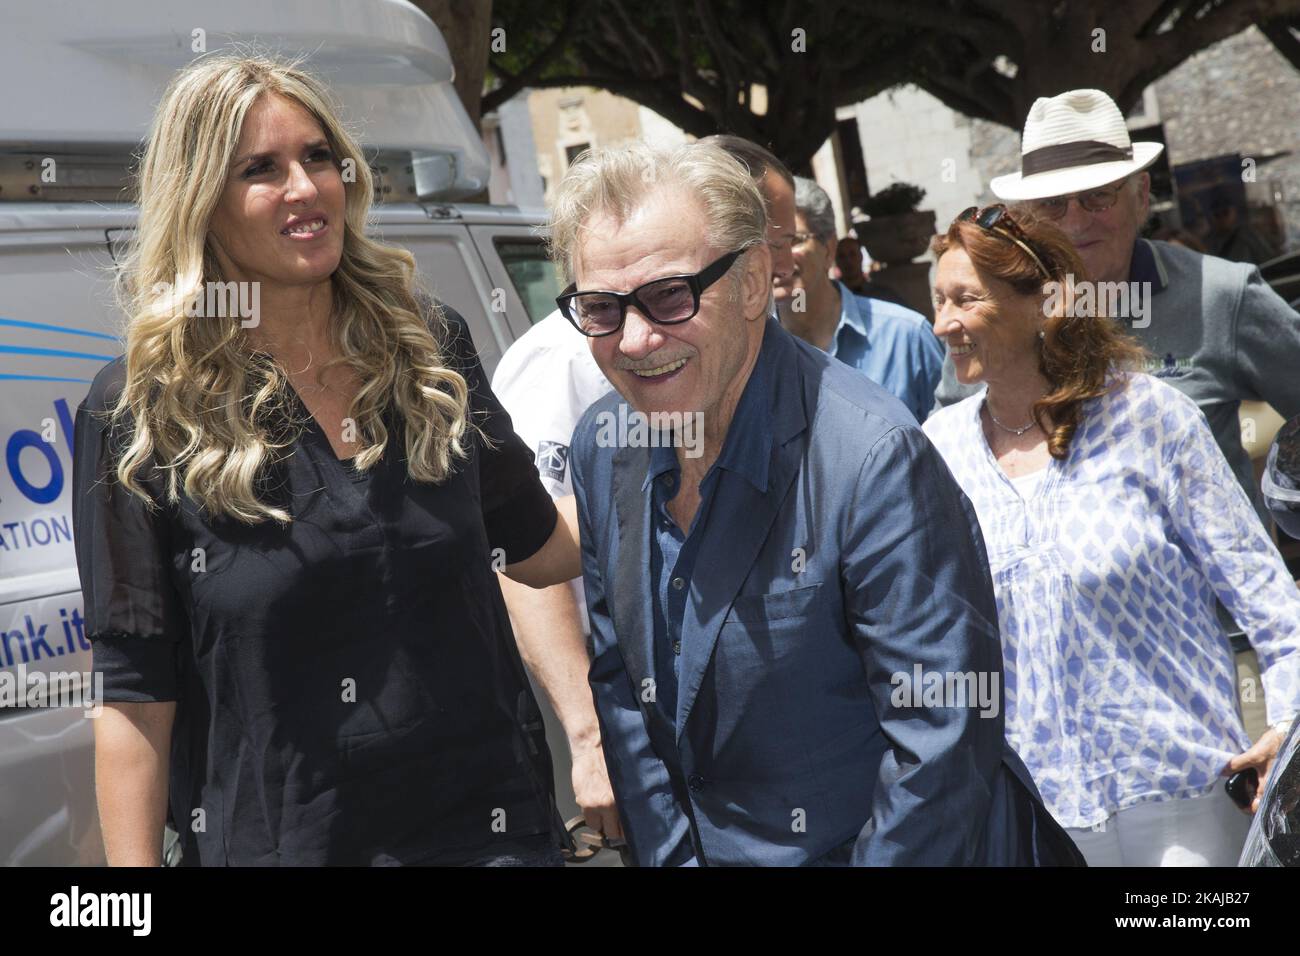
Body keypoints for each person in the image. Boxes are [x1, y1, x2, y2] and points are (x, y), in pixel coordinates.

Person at [72, 54, 581, 866]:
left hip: (492, 835)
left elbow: (542, 546)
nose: (306, 188)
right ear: (200, 200)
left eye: (318, 157)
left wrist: (671, 441)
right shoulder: (141, 408)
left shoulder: (426, 345)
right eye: (261, 170)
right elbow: (135, 695)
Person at [551, 139, 1083, 866]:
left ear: (749, 282)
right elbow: (623, 694)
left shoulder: (872, 458)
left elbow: (942, 740)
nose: (636, 340)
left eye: (670, 296)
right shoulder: (602, 445)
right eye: (601, 309)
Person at [923, 204, 1300, 866]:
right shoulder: (936, 453)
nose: (943, 323)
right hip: (1032, 824)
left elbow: (1270, 602)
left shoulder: (1150, 418)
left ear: (1043, 304)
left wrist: (1288, 730)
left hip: (1184, 811)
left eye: (965, 300)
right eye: (937, 301)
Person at [490, 135, 799, 844]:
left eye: (780, 235)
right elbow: (530, 555)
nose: (636, 336)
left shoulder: (746, 338)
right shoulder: (563, 366)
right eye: (606, 308)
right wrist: (587, 734)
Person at [934, 89, 1300, 530]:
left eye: (1096, 196)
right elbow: (946, 462)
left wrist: (1285, 494)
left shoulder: (1221, 295)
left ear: (1141, 194)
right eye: (1053, 204)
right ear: (1027, 217)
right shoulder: (995, 317)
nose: (1075, 222)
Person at [777, 176, 943, 422]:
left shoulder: (906, 337)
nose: (778, 258)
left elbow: (956, 442)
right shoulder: (747, 352)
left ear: (829, 248)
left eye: (794, 241)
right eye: (765, 243)